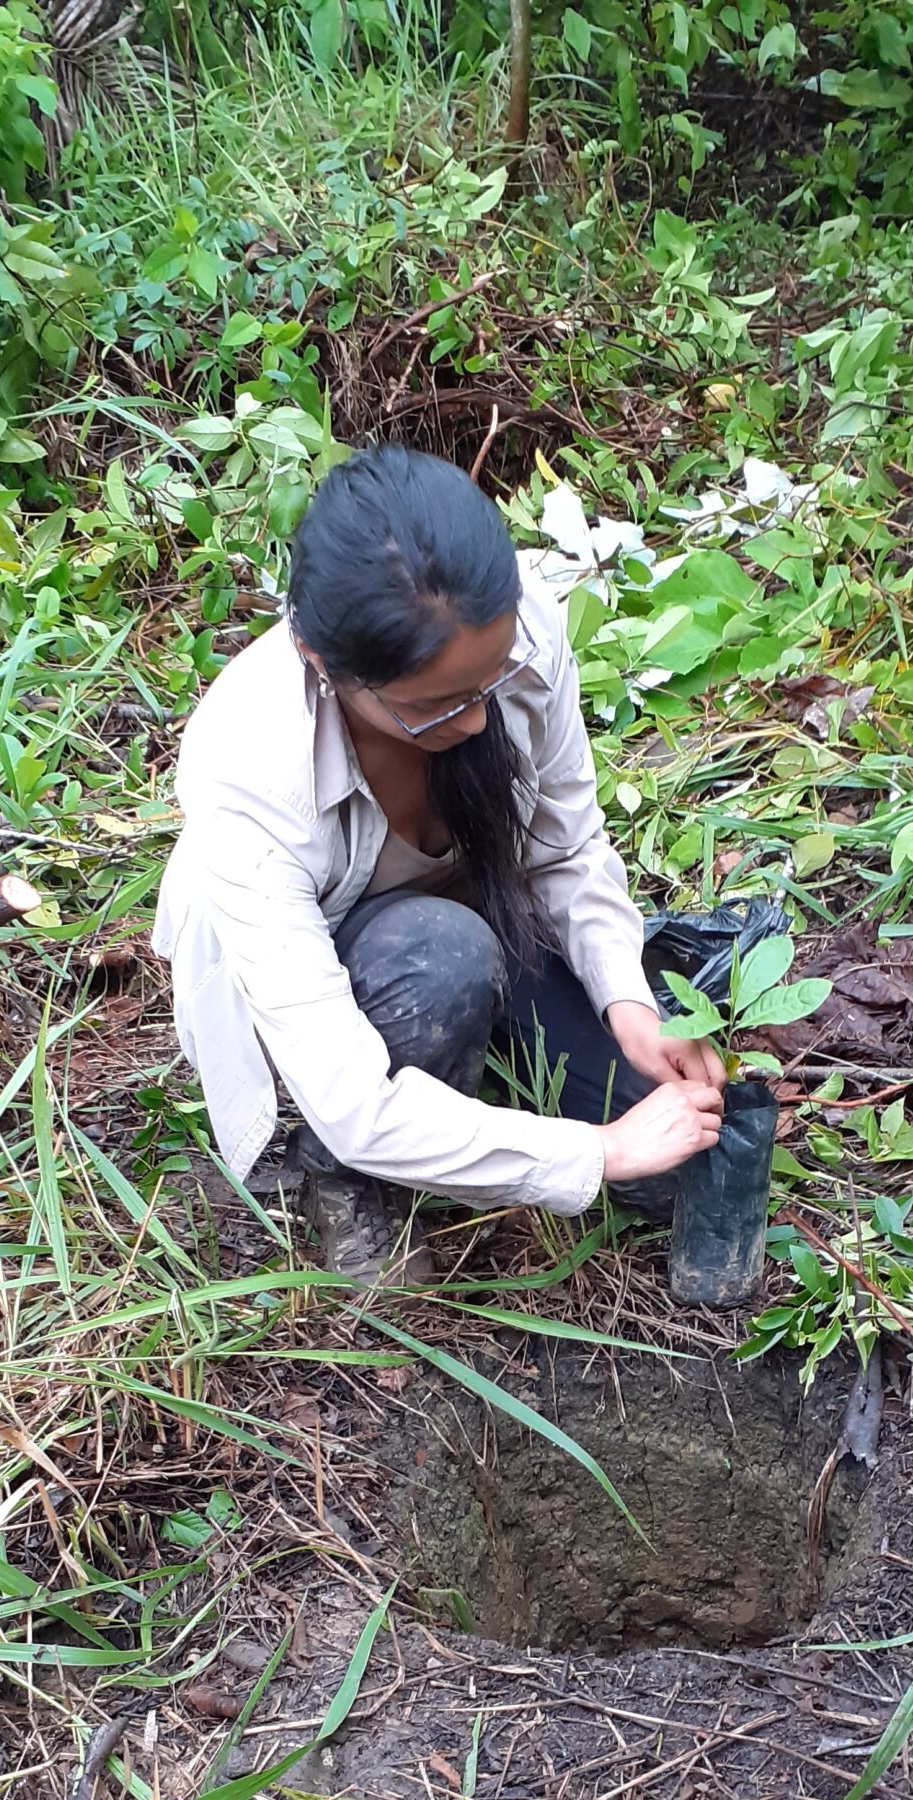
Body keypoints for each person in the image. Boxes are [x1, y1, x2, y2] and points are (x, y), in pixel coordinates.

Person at [153, 445, 727, 1286]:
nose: (476, 720)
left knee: (677, 1165)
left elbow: (567, 847)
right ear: (321, 659)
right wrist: (597, 1151)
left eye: (490, 684)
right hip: (360, 983)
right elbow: (353, 1102)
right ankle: (339, 1183)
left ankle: (478, 1077)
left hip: (483, 916)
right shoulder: (246, 766)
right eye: (435, 706)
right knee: (445, 957)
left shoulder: (521, 623)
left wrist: (627, 1000)